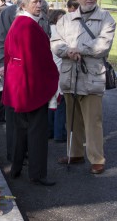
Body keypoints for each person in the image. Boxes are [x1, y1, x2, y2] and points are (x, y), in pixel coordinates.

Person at [51, 0, 116, 174]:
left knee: (93, 120)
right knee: (72, 119)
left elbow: (103, 45)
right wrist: (67, 51)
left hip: (93, 76)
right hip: (70, 75)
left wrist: (78, 49)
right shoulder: (65, 20)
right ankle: (75, 153)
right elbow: (55, 43)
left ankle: (97, 158)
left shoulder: (106, 18)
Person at [3, 0, 59, 186]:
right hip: (31, 87)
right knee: (36, 132)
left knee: (20, 131)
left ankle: (16, 168)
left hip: (19, 86)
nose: (40, 4)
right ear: (23, 4)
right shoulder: (28, 26)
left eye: (41, 0)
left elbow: (11, 57)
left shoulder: (19, 23)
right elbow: (37, 62)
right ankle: (37, 173)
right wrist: (52, 81)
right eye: (35, 1)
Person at [0, 0, 51, 162]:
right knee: (16, 120)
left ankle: (30, 156)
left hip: (36, 77)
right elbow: (0, 40)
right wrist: (1, 64)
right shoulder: (10, 13)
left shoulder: (43, 13)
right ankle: (15, 156)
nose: (39, 2)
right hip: (15, 75)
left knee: (34, 120)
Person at [48, 9, 67, 142]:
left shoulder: (47, 30)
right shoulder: (61, 33)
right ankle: (59, 133)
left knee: (51, 103)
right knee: (60, 104)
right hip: (59, 71)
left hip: (50, 71)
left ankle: (50, 131)